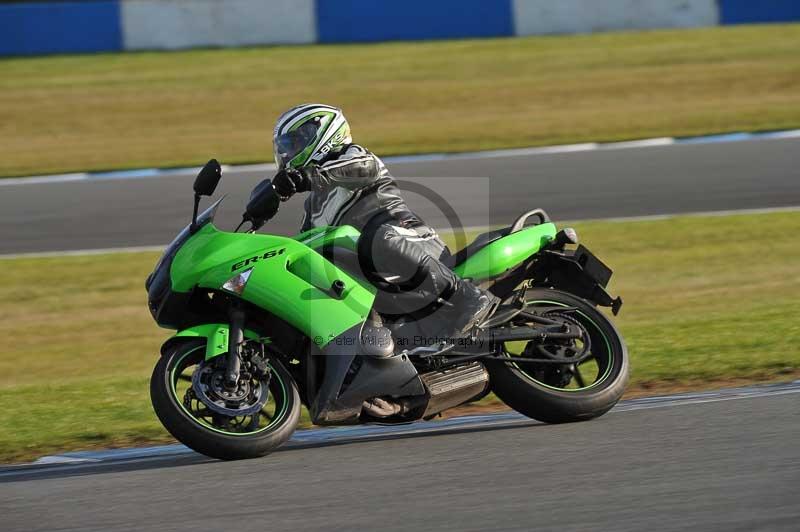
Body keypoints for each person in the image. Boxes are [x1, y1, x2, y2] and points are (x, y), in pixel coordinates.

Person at [269, 103, 496, 338]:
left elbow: (349, 170)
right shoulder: (313, 205)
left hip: (411, 239)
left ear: (320, 134)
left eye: (295, 142)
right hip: (376, 272)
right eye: (286, 146)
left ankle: (465, 294)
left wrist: (308, 176)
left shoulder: (354, 157)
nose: (288, 153)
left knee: (378, 237)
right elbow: (303, 247)